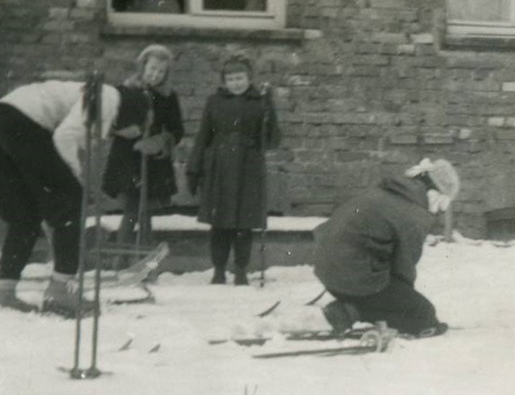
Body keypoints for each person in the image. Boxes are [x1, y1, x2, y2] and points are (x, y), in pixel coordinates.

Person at [0, 79, 149, 317]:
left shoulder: (95, 93)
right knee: (71, 201)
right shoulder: (109, 98)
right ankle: (61, 290)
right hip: (23, 122)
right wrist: (73, 179)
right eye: (135, 129)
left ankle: (4, 290)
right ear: (132, 113)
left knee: (25, 215)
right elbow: (65, 138)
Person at [312, 158, 460, 337]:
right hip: (352, 276)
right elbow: (404, 267)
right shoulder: (414, 212)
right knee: (423, 315)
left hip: (328, 270)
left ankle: (352, 306)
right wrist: (406, 303)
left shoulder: (391, 192)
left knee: (396, 298)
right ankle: (349, 312)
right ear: (437, 196)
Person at [186, 54, 280, 285]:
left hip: (248, 168)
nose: (235, 83)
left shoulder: (260, 102)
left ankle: (241, 270)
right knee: (219, 224)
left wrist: (270, 110)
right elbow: (203, 137)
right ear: (224, 81)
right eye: (230, 79)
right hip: (219, 168)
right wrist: (194, 169)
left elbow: (272, 140)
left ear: (249, 78)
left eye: (240, 78)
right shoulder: (214, 102)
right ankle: (218, 270)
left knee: (243, 223)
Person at [102, 45, 184, 251]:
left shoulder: (168, 96)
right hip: (127, 158)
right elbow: (107, 120)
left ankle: (143, 256)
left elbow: (177, 129)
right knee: (132, 208)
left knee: (145, 210)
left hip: (153, 161)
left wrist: (160, 142)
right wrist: (120, 130)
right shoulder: (125, 90)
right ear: (142, 67)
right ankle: (122, 257)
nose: (155, 75)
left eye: (161, 71)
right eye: (152, 69)